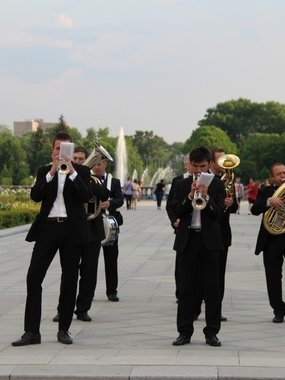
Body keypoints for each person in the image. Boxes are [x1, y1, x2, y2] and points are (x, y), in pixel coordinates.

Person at [12, 133, 90, 346]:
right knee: (33, 277)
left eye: (64, 150)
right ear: (52, 150)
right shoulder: (43, 171)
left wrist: (72, 172)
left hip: (71, 230)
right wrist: (52, 172)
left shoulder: (82, 171)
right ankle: (31, 332)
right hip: (47, 228)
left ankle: (63, 329)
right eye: (57, 149)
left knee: (69, 279)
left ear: (72, 152)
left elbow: (85, 196)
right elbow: (36, 196)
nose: (60, 153)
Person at [171, 146, 225, 347]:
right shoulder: (181, 184)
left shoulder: (218, 185)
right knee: (186, 289)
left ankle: (212, 332)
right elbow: (176, 209)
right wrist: (189, 196)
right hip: (188, 240)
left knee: (212, 289)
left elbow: (219, 214)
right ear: (190, 165)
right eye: (195, 166)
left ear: (209, 164)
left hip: (210, 242)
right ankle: (184, 332)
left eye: (203, 166)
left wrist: (207, 197)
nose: (199, 170)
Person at [53, 146, 111, 323]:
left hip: (92, 230)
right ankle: (63, 309)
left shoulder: (93, 179)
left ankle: (83, 309)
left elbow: (105, 195)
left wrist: (88, 184)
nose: (78, 162)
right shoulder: (65, 176)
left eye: (81, 159)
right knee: (68, 273)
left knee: (89, 272)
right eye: (76, 159)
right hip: (72, 230)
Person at [195, 148, 238, 322]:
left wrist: (230, 203)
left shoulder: (228, 181)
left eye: (225, 161)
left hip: (222, 233)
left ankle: (216, 310)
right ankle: (196, 308)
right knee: (198, 273)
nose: (224, 165)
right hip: (203, 230)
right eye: (220, 161)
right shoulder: (202, 179)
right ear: (211, 163)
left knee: (218, 274)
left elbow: (233, 208)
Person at [251, 162, 285, 323]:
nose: (283, 176)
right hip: (271, 240)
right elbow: (254, 210)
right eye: (279, 174)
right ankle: (278, 309)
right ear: (272, 177)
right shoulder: (265, 190)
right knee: (273, 276)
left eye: (284, 172)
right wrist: (269, 201)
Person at [91, 155, 124, 302]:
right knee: (90, 261)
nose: (96, 167)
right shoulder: (88, 180)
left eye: (99, 164)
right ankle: (88, 292)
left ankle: (112, 291)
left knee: (111, 259)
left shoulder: (114, 182)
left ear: (105, 165)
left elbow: (120, 199)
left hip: (110, 224)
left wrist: (110, 203)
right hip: (92, 224)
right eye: (94, 164)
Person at [166, 153, 193, 301]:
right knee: (181, 265)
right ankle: (180, 292)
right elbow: (170, 205)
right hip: (182, 227)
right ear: (185, 164)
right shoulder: (178, 181)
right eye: (191, 163)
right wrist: (174, 220)